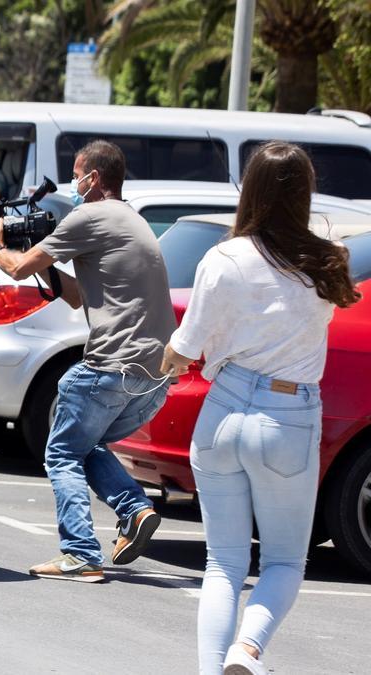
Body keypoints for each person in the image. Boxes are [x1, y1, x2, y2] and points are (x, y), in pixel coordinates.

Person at [160, 142, 362, 675]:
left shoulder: (223, 258)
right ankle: (247, 650)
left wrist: (168, 363)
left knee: (222, 564)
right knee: (283, 560)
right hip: (288, 414)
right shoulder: (325, 257)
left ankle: (211, 670)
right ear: (305, 192)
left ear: (249, 189)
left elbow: (185, 348)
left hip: (223, 409)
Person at [0, 139, 177, 582]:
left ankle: (80, 553)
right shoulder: (129, 220)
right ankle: (134, 509)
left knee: (62, 451)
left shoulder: (90, 214)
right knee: (83, 444)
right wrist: (46, 260)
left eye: (76, 174)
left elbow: (16, 268)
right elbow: (76, 297)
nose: (73, 182)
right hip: (153, 378)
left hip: (112, 368)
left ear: (93, 179)